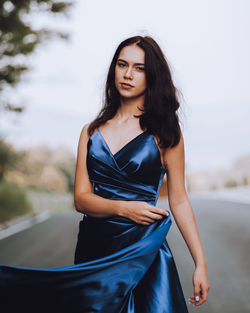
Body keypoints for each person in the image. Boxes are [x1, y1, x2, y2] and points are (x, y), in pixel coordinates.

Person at [0, 35, 210, 313]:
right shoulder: (90, 132)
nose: (128, 74)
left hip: (144, 252)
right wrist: (125, 209)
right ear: (114, 69)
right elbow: (81, 200)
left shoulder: (165, 133)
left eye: (139, 68)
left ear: (152, 76)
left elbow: (180, 200)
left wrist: (200, 264)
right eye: (122, 65)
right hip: (94, 249)